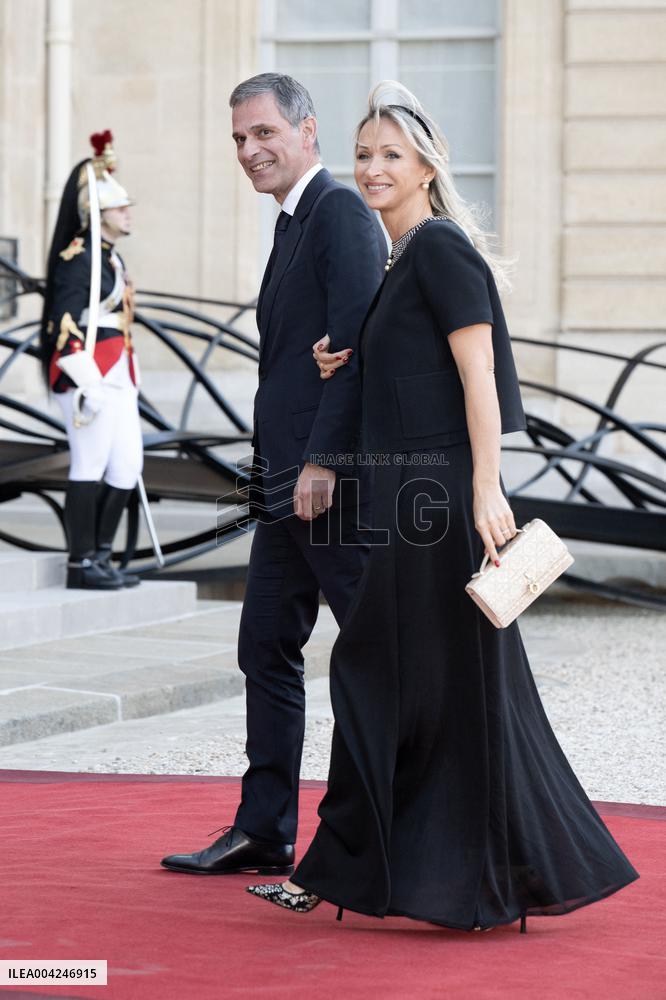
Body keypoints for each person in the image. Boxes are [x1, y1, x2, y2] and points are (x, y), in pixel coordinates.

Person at [246, 82, 639, 931]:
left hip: (443, 509)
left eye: (391, 154)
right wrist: (339, 365)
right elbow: (411, 368)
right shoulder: (400, 264)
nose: (372, 168)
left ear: (427, 166)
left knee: (411, 680)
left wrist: (487, 486)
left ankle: (459, 877)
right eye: (363, 154)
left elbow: (479, 373)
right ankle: (375, 870)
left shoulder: (438, 249)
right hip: (405, 505)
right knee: (414, 683)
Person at [160, 74, 386, 876]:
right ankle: (264, 828)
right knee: (265, 646)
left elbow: (354, 349)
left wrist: (325, 459)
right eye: (238, 140)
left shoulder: (341, 213)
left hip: (326, 483)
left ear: (307, 132)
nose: (251, 151)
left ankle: (370, 836)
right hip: (282, 482)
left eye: (264, 134)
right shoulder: (294, 223)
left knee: (366, 654)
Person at [41, 131, 142, 590]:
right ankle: (80, 563)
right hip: (88, 374)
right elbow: (64, 322)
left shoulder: (110, 260)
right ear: (98, 215)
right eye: (120, 208)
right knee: (90, 463)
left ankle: (101, 555)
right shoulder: (77, 260)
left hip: (118, 371)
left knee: (126, 466)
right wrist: (86, 382)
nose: (127, 213)